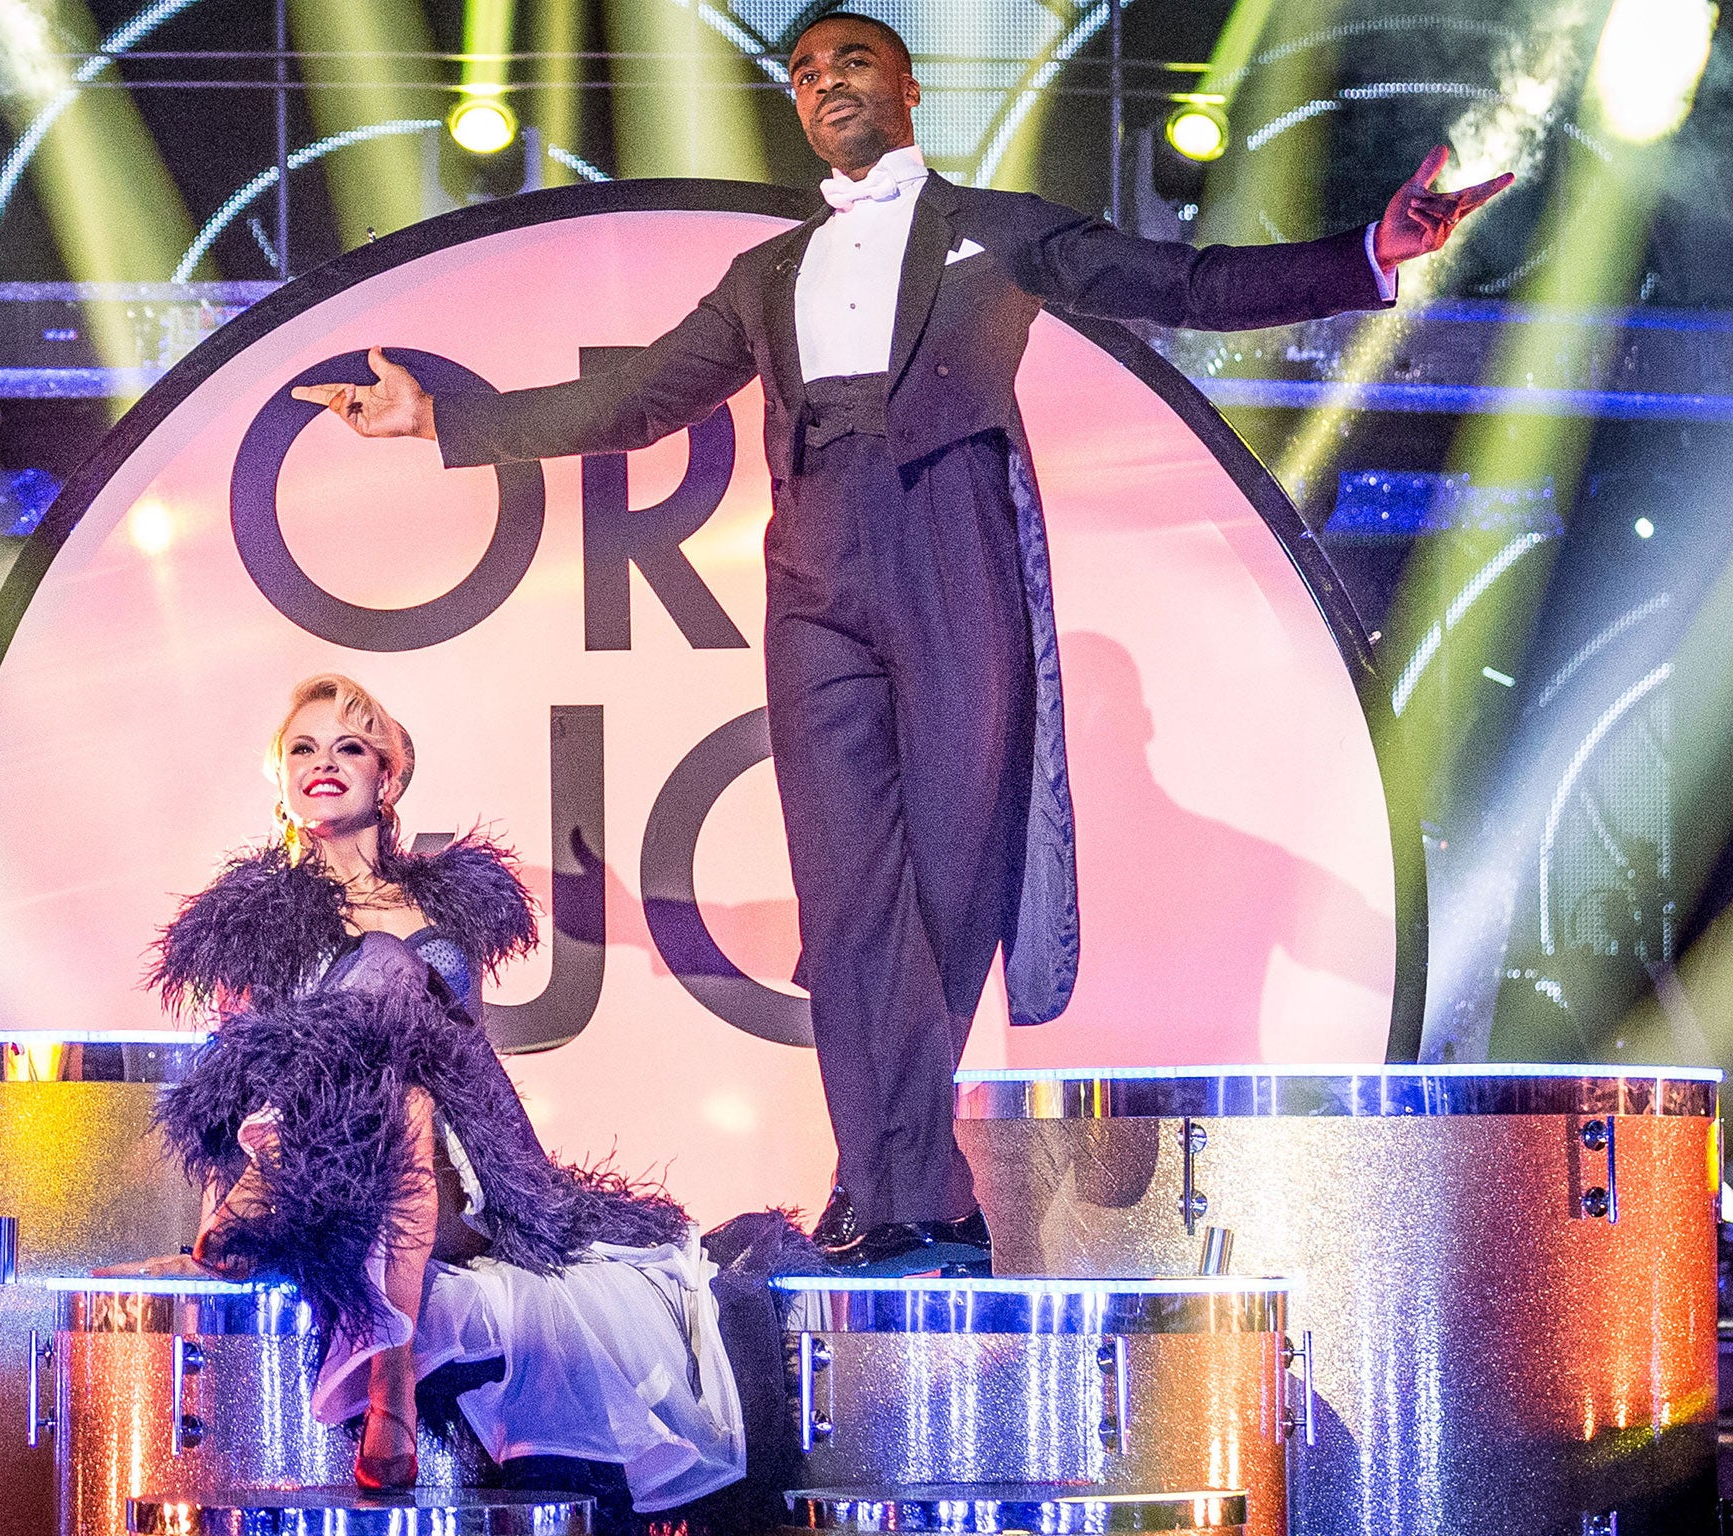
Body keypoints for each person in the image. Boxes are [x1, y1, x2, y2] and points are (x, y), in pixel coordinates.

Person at [292, 10, 1511, 1270]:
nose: (824, 84)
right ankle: (904, 1202)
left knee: (945, 895)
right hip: (812, 576)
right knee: (846, 902)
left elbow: (1186, 285)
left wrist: (1367, 251)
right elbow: (636, 397)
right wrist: (442, 416)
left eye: (850, 62)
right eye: (805, 72)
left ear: (910, 86)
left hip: (948, 552)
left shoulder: (1000, 228)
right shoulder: (769, 273)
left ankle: (898, 1189)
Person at [123, 674, 787, 1516]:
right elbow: (236, 1072)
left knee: (403, 1026)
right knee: (395, 1069)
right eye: (304, 747)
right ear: (282, 780)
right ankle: (391, 1379)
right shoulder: (249, 920)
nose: (324, 762)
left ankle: (294, 1189)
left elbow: (468, 1056)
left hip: (459, 1176)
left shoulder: (444, 901)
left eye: (349, 747)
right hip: (331, 1177)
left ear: (388, 778)